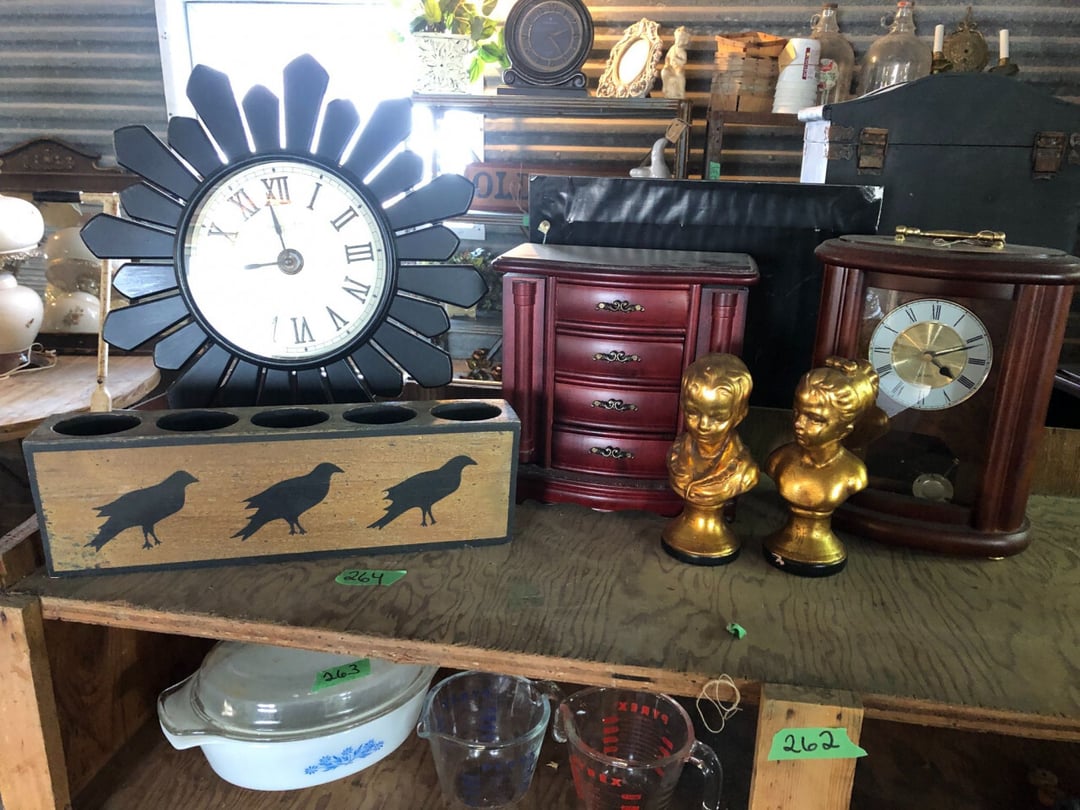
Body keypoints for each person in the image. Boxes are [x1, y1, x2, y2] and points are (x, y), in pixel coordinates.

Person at [763, 356, 880, 576]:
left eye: (815, 419)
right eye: (797, 411)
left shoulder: (853, 474)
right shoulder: (779, 460)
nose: (798, 424)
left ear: (845, 428)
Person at [662, 353, 758, 564]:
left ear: (739, 414)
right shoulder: (677, 452)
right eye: (693, 412)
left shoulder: (744, 471)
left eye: (717, 417)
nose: (703, 425)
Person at [661, 26, 690, 99]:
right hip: (670, 67)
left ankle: (681, 91)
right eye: (677, 39)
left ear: (684, 42)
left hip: (678, 68)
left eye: (680, 40)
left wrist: (676, 59)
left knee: (680, 75)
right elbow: (667, 57)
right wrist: (667, 64)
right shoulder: (672, 48)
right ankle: (665, 87)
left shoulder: (682, 52)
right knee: (664, 72)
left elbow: (683, 61)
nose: (678, 41)